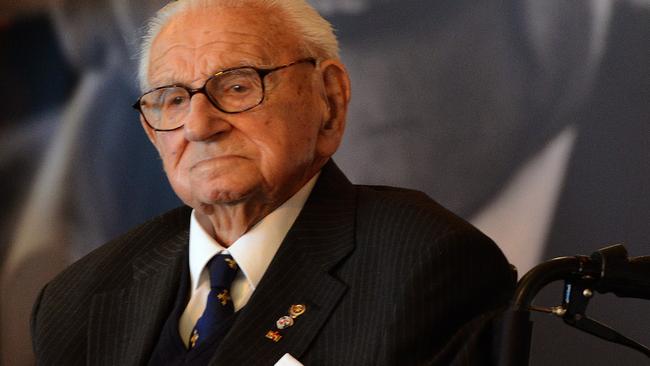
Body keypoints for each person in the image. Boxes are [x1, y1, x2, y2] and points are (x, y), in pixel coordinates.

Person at [30, 0, 515, 364]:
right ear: (151, 130)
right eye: (173, 100)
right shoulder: (76, 300)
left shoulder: (424, 264)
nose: (199, 126)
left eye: (238, 86)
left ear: (329, 99)